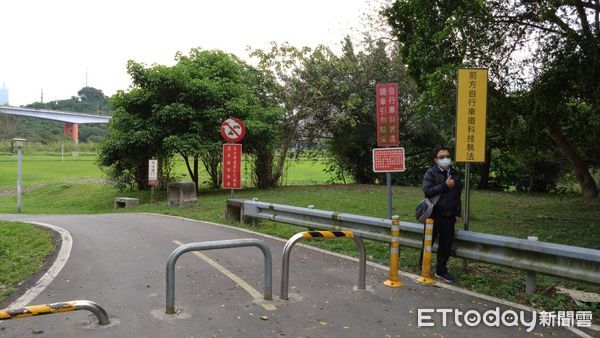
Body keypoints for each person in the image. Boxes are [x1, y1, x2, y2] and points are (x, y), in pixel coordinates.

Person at [422, 145, 462, 283]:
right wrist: (445, 186)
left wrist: (457, 212)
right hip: (434, 215)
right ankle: (423, 266)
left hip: (449, 215)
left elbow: (458, 194)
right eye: (441, 157)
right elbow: (427, 191)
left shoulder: (455, 173)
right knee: (428, 242)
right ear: (435, 160)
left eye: (447, 156)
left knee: (446, 245)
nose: (445, 159)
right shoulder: (431, 173)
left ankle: (441, 270)